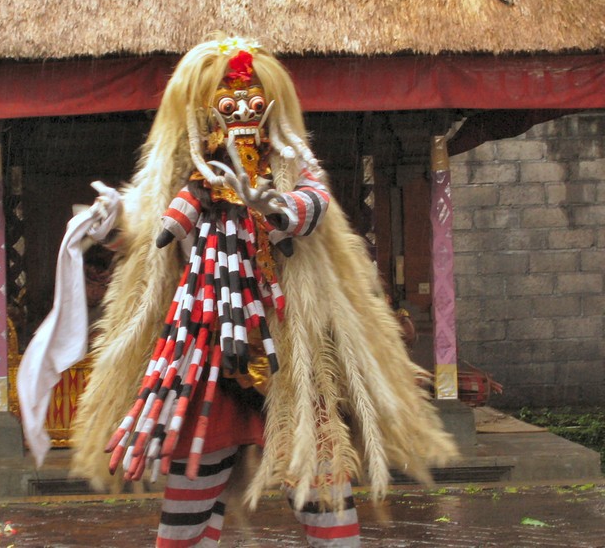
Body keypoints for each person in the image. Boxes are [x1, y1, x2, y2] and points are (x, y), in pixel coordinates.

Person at [30, 36, 457, 547]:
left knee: (319, 479)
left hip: (293, 354)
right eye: (227, 105)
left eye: (253, 103)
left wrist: (278, 208)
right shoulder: (180, 175)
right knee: (194, 484)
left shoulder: (291, 162)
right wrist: (109, 221)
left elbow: (314, 202)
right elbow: (149, 239)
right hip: (205, 355)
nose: (241, 115)